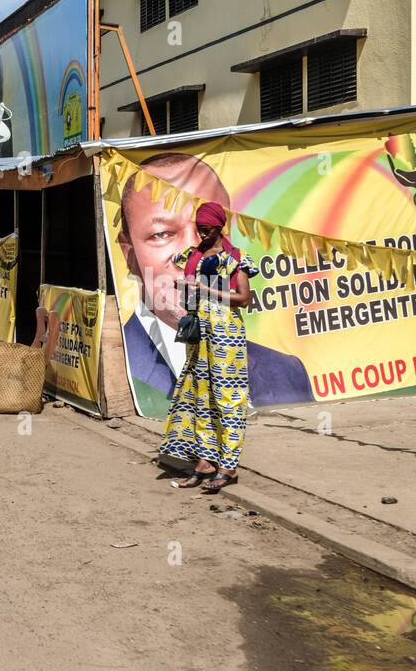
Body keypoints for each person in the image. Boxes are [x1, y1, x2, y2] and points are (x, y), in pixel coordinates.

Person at [117, 153, 312, 416]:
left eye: (207, 231)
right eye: (162, 234)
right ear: (129, 253)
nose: (190, 250)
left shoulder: (287, 371)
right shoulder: (118, 367)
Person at [159, 202, 258, 494]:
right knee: (200, 396)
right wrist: (186, 289)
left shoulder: (234, 258)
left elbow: (243, 298)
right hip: (200, 336)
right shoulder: (194, 257)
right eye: (199, 229)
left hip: (227, 336)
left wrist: (208, 290)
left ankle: (229, 466)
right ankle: (205, 463)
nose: (202, 233)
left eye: (207, 229)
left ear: (219, 227)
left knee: (228, 399)